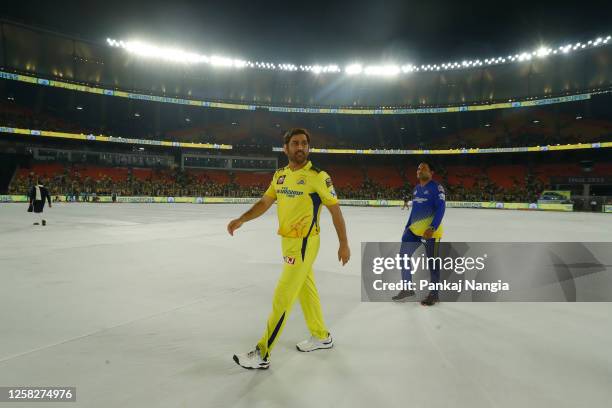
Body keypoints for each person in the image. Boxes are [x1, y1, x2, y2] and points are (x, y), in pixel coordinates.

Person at [228, 128, 350, 370]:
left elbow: (335, 210)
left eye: (304, 143)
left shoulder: (318, 176)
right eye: (295, 143)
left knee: (283, 297)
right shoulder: (280, 176)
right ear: (286, 148)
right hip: (288, 242)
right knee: (307, 290)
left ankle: (262, 353)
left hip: (305, 243)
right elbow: (265, 202)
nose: (300, 147)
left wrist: (343, 243)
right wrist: (242, 218)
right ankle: (321, 336)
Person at [392, 162, 446, 306]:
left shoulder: (437, 188)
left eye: (424, 168)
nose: (419, 170)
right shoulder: (416, 189)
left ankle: (434, 294)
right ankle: (407, 288)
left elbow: (441, 208)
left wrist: (432, 227)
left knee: (432, 264)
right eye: (418, 168)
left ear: (431, 172)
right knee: (403, 256)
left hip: (431, 233)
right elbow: (414, 211)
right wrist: (407, 227)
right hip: (414, 232)